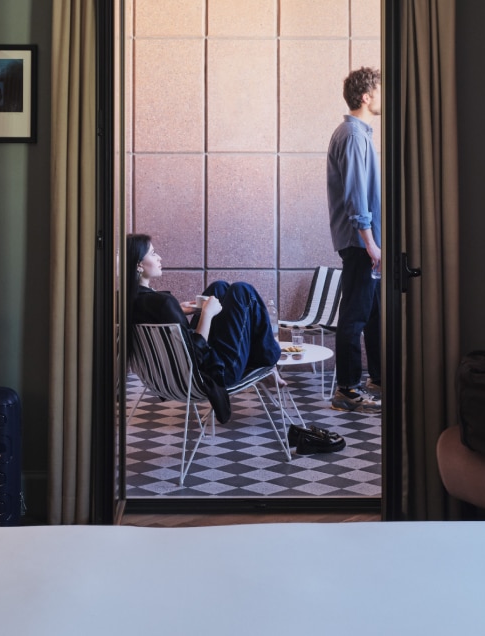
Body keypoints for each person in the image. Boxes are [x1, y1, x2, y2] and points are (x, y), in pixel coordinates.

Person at [127, 235, 342, 454]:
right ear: (138, 265)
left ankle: (268, 359)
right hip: (212, 375)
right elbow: (197, 351)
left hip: (175, 378)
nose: (159, 257)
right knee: (242, 291)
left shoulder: (130, 301)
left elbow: (180, 341)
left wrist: (180, 311)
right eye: (153, 253)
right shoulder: (164, 303)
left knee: (219, 288)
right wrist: (207, 315)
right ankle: (270, 360)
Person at [324, 67, 384, 415]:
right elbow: (356, 197)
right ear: (366, 96)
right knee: (354, 316)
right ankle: (346, 389)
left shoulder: (357, 133)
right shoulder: (353, 136)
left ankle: (377, 379)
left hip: (364, 242)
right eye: (378, 90)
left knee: (373, 315)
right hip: (362, 243)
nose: (381, 96)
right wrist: (371, 242)